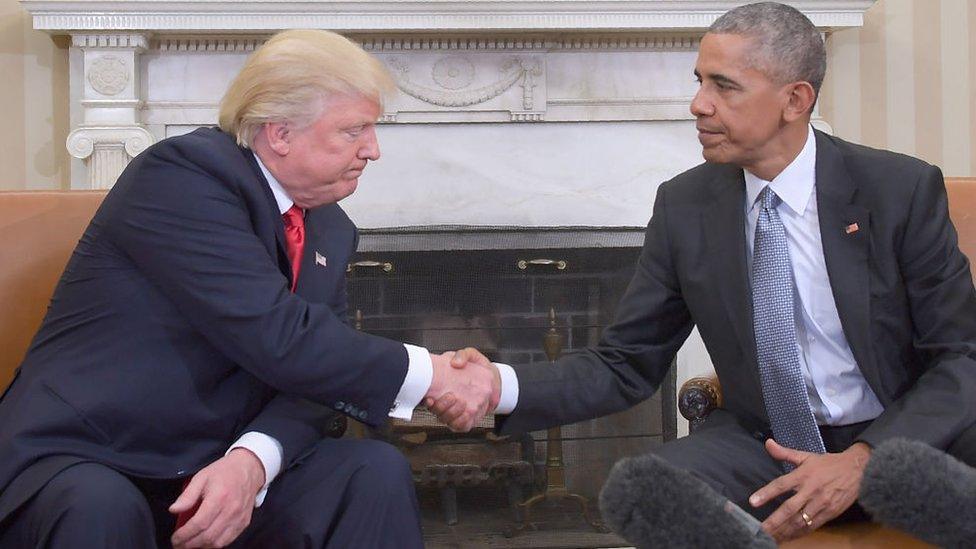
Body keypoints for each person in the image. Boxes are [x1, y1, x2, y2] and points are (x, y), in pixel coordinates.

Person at [435, 2, 976, 543]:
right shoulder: (685, 206)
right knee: (643, 487)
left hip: (900, 441)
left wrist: (864, 460)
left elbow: (960, 356)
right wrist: (496, 385)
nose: (698, 104)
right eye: (699, 82)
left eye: (724, 86)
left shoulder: (897, 189)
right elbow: (626, 362)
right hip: (766, 447)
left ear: (795, 99)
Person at [0, 29, 503, 548]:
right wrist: (432, 375)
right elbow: (278, 334)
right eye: (354, 130)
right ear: (279, 133)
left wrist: (252, 462)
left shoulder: (330, 227)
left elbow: (318, 375)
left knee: (369, 472)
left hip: (214, 458)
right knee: (98, 504)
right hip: (92, 450)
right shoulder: (182, 177)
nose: (372, 150)